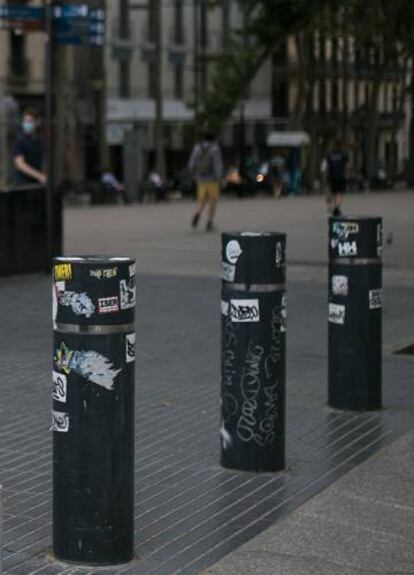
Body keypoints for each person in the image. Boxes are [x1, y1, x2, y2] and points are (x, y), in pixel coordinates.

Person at [188, 130, 223, 231]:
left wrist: (194, 175)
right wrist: (219, 177)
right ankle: (209, 222)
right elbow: (217, 164)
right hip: (212, 179)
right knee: (212, 201)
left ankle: (198, 212)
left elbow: (191, 164)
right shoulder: (215, 148)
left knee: (201, 199)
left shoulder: (197, 147)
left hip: (201, 178)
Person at [13, 109, 46, 186]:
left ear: (37, 123)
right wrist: (40, 176)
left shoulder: (40, 140)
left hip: (36, 182)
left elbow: (43, 159)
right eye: (25, 121)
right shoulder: (19, 140)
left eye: (29, 121)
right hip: (22, 183)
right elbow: (20, 165)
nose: (27, 124)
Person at [326, 139, 349, 216]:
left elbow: (327, 166)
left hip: (332, 176)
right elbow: (346, 166)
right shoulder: (343, 154)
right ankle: (337, 207)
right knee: (339, 192)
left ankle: (331, 206)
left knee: (333, 192)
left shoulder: (330, 155)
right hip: (341, 176)